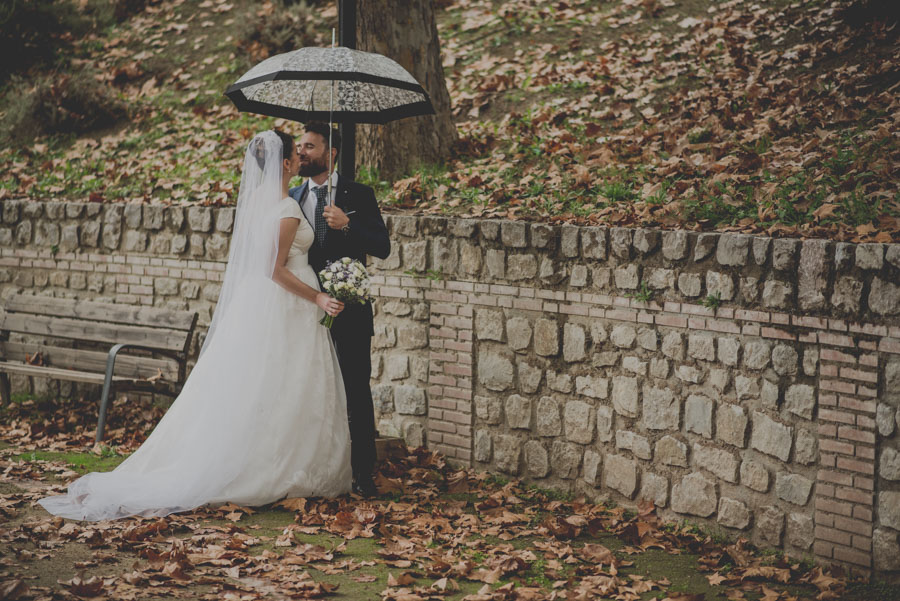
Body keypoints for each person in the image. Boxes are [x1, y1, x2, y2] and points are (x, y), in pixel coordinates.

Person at [39, 130, 353, 521]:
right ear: (286, 163)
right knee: (285, 383)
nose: (302, 158)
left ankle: (271, 460)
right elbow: (273, 269)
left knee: (265, 384)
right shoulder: (287, 208)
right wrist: (318, 297)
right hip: (288, 304)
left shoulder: (257, 200)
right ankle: (276, 469)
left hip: (260, 305)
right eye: (296, 153)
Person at [289, 122, 390, 497]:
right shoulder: (292, 196)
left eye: (309, 146)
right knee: (307, 391)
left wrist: (348, 225)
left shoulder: (358, 194)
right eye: (299, 146)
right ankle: (311, 469)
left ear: (330, 153)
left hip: (349, 313)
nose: (301, 152)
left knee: (355, 393)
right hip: (303, 312)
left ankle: (363, 474)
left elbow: (382, 246)